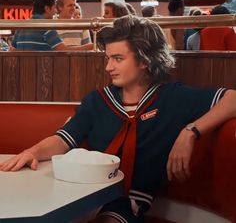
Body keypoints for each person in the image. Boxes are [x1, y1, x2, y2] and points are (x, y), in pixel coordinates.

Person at [1, 15, 236, 223]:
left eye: (117, 59)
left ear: (145, 60)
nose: (108, 67)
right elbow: (63, 140)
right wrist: (31, 152)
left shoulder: (172, 99)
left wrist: (191, 132)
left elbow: (233, 99)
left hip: (126, 203)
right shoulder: (98, 101)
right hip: (79, 194)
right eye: (108, 58)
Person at [11, 0, 92, 51]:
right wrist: (91, 46)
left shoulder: (21, 27)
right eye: (54, 8)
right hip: (41, 70)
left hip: (23, 71)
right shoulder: (47, 28)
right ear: (47, 8)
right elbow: (63, 50)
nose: (55, 11)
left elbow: (11, 50)